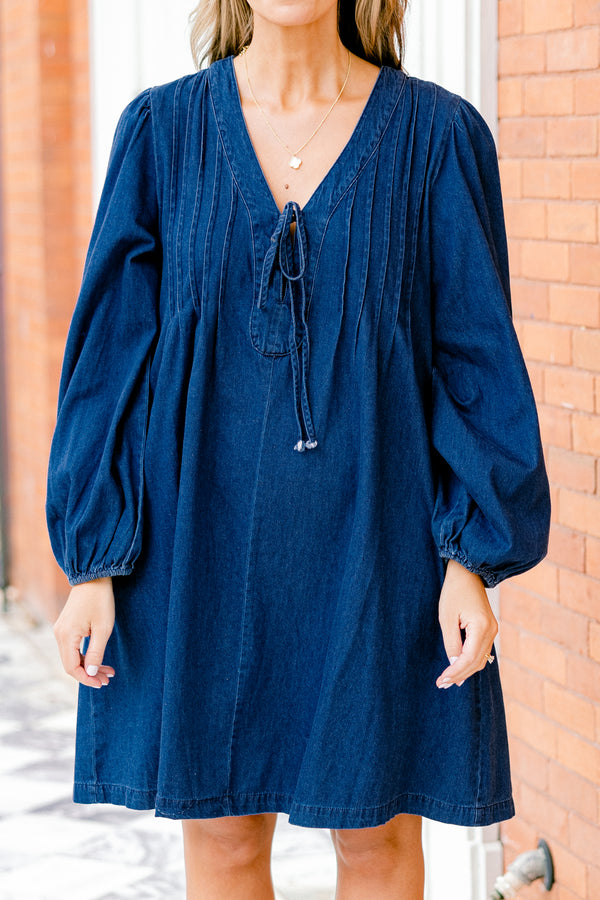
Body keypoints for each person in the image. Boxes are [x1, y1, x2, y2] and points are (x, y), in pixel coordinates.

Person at [46, 0, 551, 896]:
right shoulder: (162, 133)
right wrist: (94, 563)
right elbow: (109, 359)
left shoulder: (436, 136)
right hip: (196, 545)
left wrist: (471, 558)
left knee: (378, 838)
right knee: (226, 836)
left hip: (379, 546)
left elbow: (475, 358)